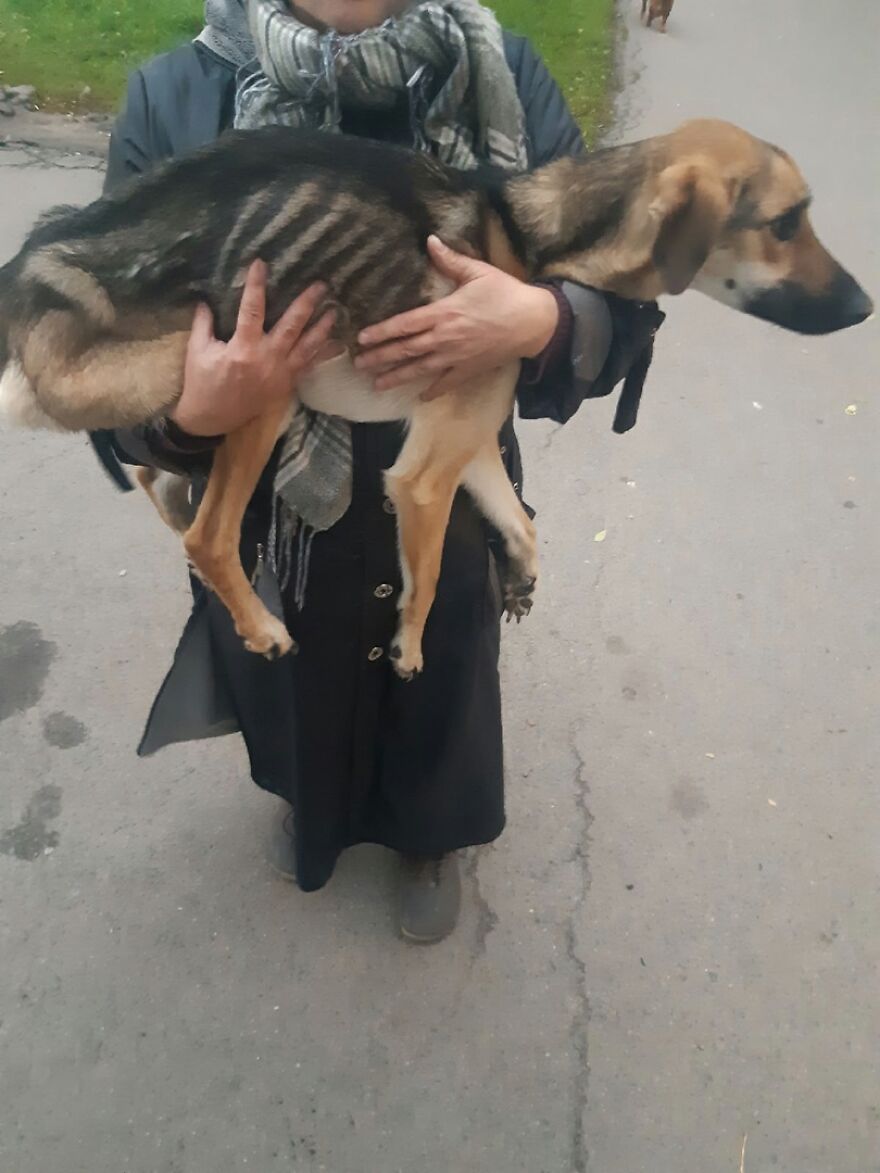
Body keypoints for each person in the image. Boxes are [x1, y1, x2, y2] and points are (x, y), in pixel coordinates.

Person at [99, 0, 662, 941]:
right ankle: (310, 805)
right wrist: (191, 413)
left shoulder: (502, 78)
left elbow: (621, 293)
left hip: (444, 493)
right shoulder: (180, 100)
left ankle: (428, 837)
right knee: (293, 693)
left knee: (437, 678)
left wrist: (545, 322)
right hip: (276, 517)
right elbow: (105, 353)